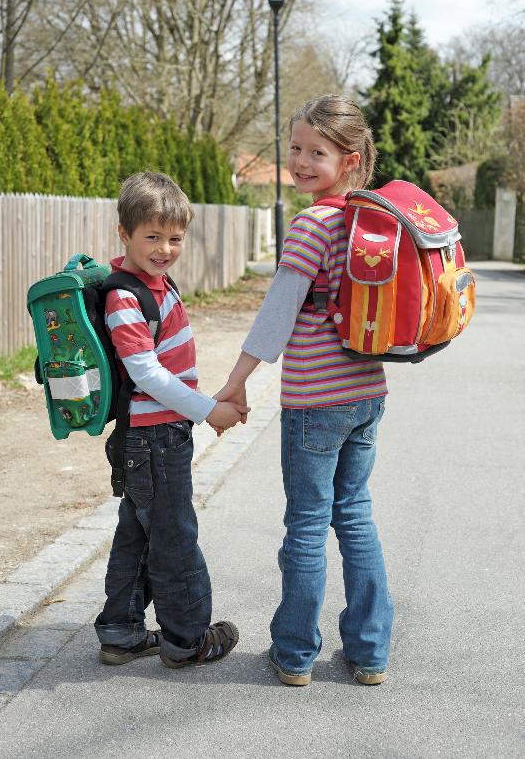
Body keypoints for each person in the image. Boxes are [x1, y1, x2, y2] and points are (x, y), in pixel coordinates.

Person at [216, 95, 393, 687]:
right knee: (358, 517)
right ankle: (369, 652)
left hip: (316, 399)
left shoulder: (313, 223)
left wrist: (235, 384)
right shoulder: (367, 221)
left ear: (348, 160)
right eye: (294, 148)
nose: (300, 161)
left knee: (309, 526)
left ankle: (294, 654)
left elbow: (277, 314)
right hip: (367, 392)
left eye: (316, 152)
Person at [95, 171, 247, 668]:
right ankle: (187, 640)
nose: (164, 249)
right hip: (154, 438)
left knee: (138, 536)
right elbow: (147, 374)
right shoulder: (126, 296)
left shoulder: (156, 283)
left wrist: (206, 407)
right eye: (152, 237)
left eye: (174, 238)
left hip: (157, 435)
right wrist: (209, 411)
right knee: (175, 538)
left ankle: (121, 632)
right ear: (125, 233)